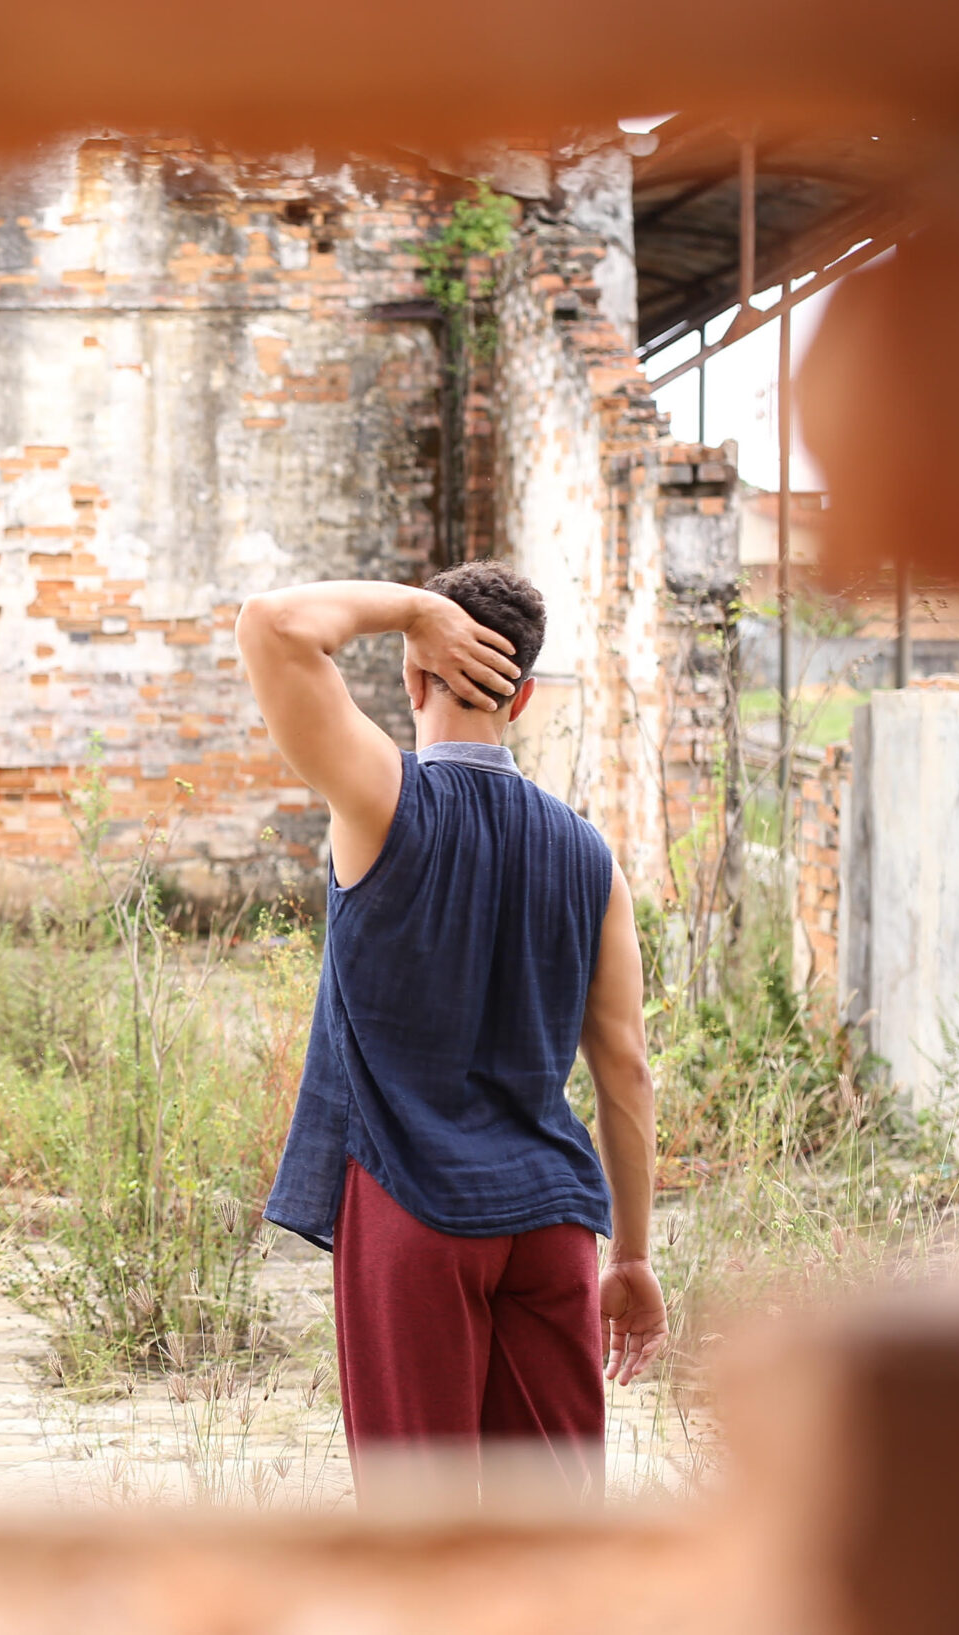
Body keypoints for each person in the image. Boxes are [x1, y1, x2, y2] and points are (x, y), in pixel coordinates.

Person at [237, 563, 665, 1506]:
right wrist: (630, 1256)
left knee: (420, 1540)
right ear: (526, 694)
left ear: (411, 676)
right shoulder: (590, 855)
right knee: (550, 1534)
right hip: (555, 1225)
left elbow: (272, 624)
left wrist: (413, 610)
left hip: (412, 1211)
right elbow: (625, 1071)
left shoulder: (383, 799)